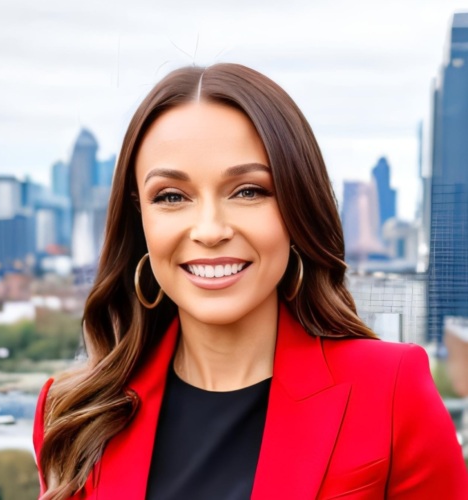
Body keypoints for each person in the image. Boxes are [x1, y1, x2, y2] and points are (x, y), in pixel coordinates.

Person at [33, 64, 468, 500]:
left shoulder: (391, 392)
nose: (209, 229)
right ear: (139, 218)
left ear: (298, 207)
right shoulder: (73, 413)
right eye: (171, 197)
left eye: (248, 191)